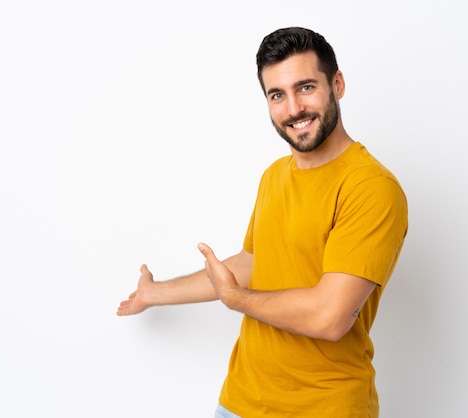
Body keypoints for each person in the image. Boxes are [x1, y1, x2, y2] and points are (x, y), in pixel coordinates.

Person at [117, 26, 408, 418]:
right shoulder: (275, 175)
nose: (293, 109)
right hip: (240, 402)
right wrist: (155, 293)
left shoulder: (370, 187)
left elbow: (330, 316)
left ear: (337, 84)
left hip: (323, 408)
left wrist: (236, 300)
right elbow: (250, 265)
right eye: (277, 95)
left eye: (306, 87)